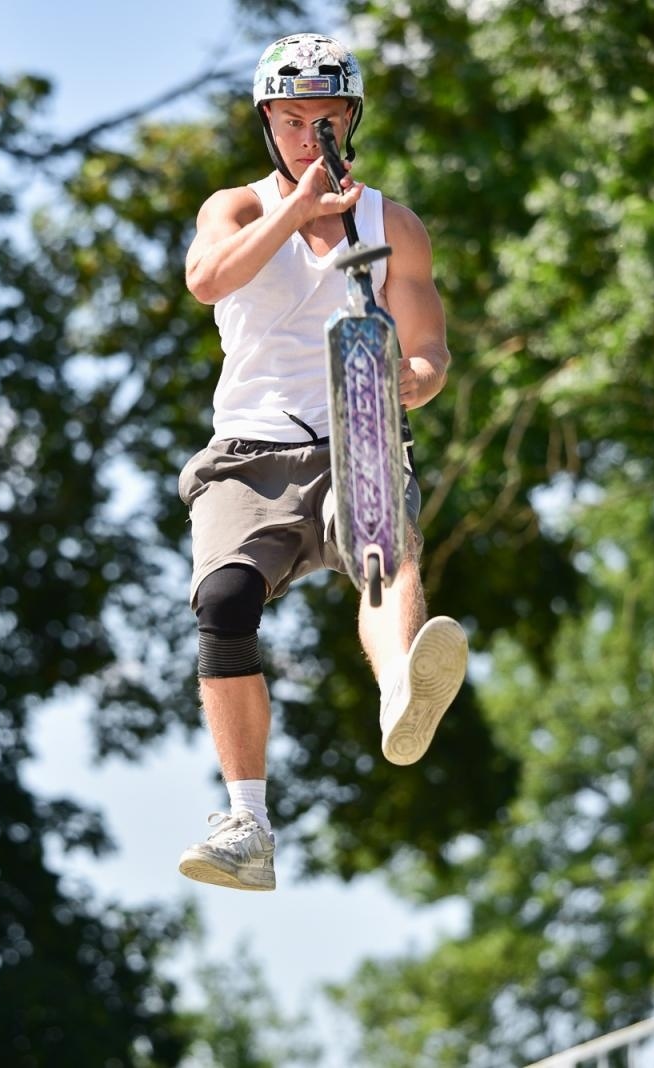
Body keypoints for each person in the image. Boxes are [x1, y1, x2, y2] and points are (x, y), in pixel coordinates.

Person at [175, 32, 469, 892]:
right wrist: (295, 211)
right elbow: (207, 281)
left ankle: (400, 694)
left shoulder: (392, 226)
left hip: (357, 428)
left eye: (327, 118)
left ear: (353, 119)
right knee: (223, 603)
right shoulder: (233, 208)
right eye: (294, 120)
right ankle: (248, 824)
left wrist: (414, 378)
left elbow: (428, 347)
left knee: (381, 548)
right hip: (247, 449)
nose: (313, 136)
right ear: (270, 124)